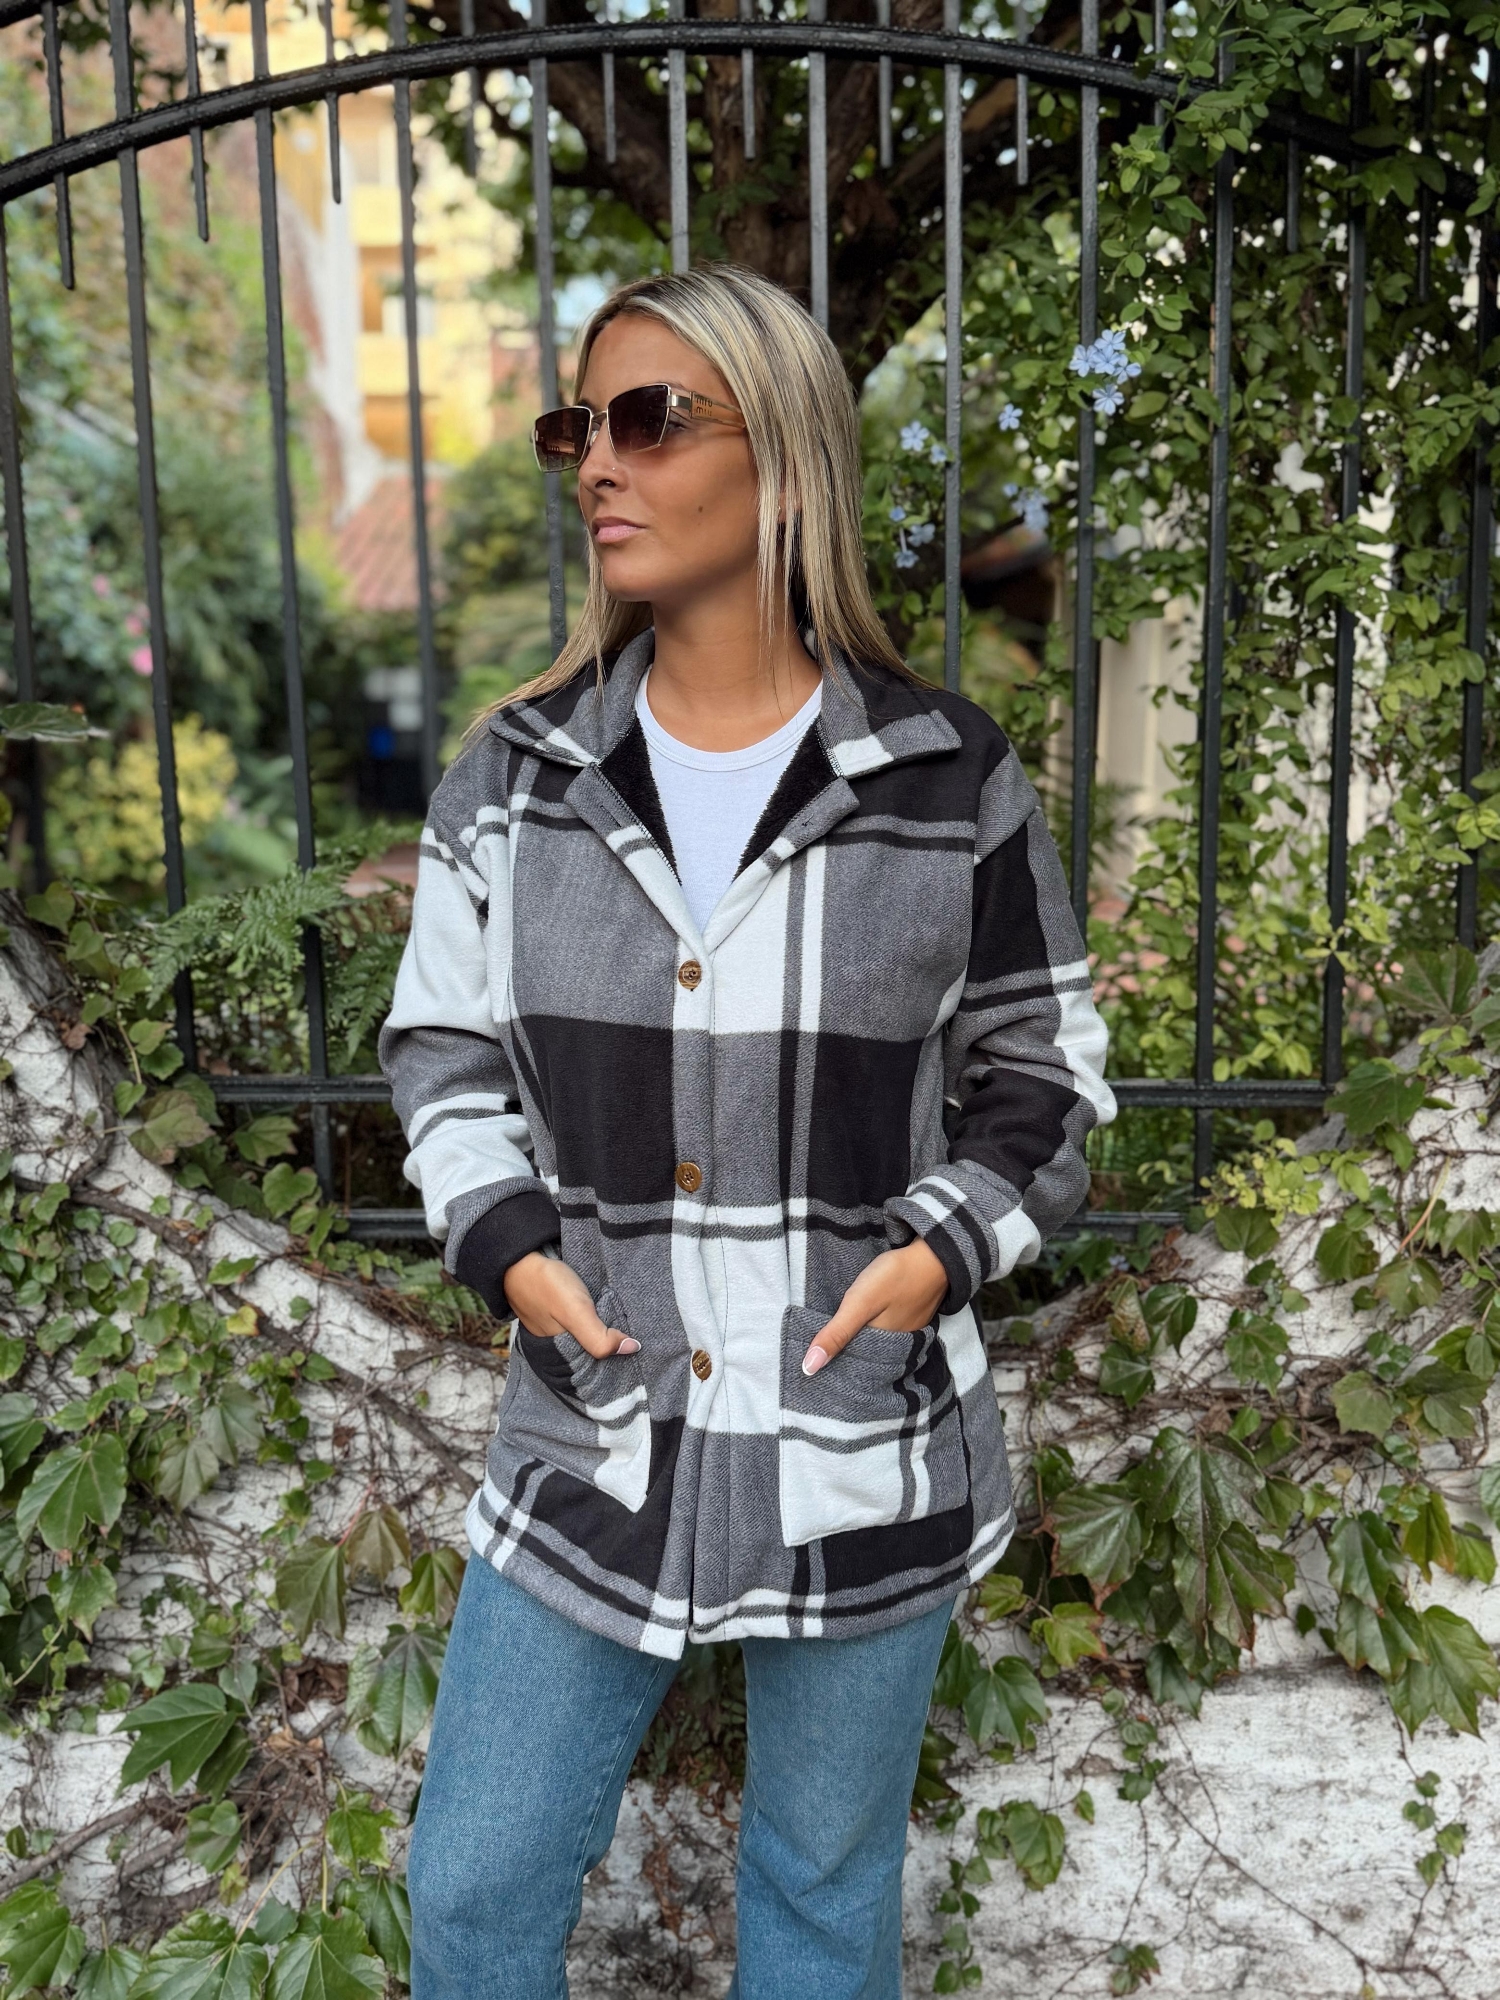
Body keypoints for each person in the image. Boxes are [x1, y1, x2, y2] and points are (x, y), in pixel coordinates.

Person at [379, 263, 1115, 2000]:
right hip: (594, 1430)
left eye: (650, 420)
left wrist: (932, 1259)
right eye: (580, 426)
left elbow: (1049, 1075)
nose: (597, 464)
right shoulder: (519, 775)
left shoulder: (945, 778)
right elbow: (441, 1051)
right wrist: (513, 1252)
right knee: (473, 1887)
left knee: (820, 1893)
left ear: (782, 454)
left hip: (856, 1434)